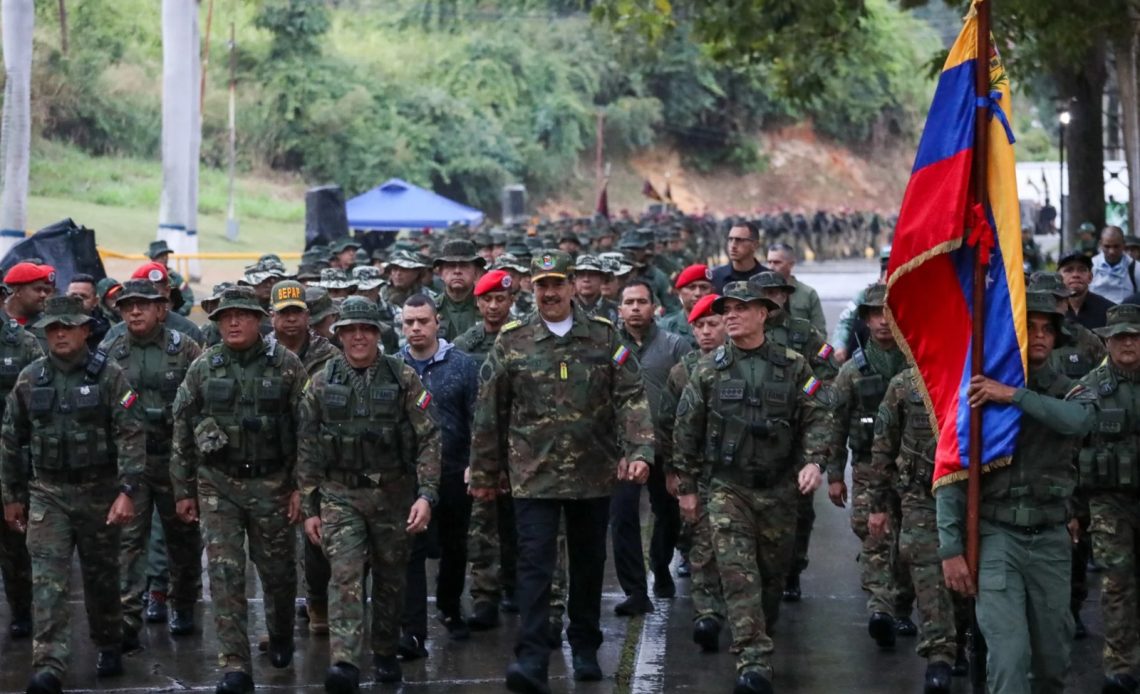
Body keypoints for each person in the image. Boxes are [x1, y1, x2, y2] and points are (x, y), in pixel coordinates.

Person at [469, 250, 654, 694]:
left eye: (557, 283)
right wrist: (484, 472)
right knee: (534, 567)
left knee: (589, 565)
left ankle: (586, 646)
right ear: (531, 289)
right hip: (532, 476)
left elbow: (631, 395)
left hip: (592, 473)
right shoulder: (513, 340)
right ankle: (532, 657)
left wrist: (641, 449)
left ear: (573, 285)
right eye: (541, 285)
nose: (549, 293)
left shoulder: (604, 337)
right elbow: (490, 410)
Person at [672, 280, 831, 694]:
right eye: (727, 309)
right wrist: (687, 489)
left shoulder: (794, 365)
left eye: (742, 308)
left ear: (764, 313)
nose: (731, 315)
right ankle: (753, 661)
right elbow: (686, 432)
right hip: (728, 489)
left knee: (772, 577)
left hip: (780, 489)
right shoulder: (708, 370)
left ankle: (759, 635)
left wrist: (815, 460)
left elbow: (817, 416)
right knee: (738, 574)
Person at [939, 293, 1098, 694]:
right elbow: (952, 471)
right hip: (998, 537)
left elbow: (1078, 421)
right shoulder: (978, 394)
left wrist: (1014, 396)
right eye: (1031, 328)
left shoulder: (1070, 390)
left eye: (1048, 329)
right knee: (1009, 660)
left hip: (1050, 539)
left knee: (1051, 662)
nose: (1040, 336)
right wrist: (950, 548)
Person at [1, 295, 144, 693]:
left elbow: (130, 432)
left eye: (67, 326)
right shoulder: (30, 378)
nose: (60, 334)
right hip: (48, 492)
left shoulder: (109, 375)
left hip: (99, 492)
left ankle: (109, 641)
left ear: (84, 329)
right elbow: (12, 438)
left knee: (101, 577)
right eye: (52, 328)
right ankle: (49, 663)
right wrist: (11, 495)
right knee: (47, 578)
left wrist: (127, 490)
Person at [296, 296, 440, 692]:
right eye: (350, 330)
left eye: (366, 329)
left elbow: (429, 437)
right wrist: (311, 506)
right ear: (339, 334)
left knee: (391, 577)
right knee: (344, 575)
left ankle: (383, 650)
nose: (358, 337)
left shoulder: (403, 377)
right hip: (340, 495)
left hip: (393, 495)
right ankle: (344, 661)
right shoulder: (322, 382)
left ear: (378, 333)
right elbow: (306, 447)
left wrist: (426, 494)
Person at [169, 286, 307, 694]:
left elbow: (308, 432)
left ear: (259, 320)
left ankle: (280, 633)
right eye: (224, 317)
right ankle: (234, 665)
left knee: (279, 573)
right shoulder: (204, 367)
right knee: (226, 575)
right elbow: (182, 429)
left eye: (241, 316)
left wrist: (301, 486)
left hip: (274, 485)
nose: (232, 322)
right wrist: (183, 489)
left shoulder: (286, 366)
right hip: (219, 485)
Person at [103, 280, 204, 651]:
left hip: (175, 460)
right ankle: (128, 616)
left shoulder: (186, 349)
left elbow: (202, 402)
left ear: (161, 310)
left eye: (142, 306)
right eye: (127, 306)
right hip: (130, 463)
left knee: (183, 536)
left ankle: (183, 603)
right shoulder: (110, 350)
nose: (134, 312)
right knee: (129, 540)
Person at [869, 365, 969, 692]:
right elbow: (884, 445)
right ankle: (938, 654)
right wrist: (879, 504)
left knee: (968, 574)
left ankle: (965, 641)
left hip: (977, 497)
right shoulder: (904, 384)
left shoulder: (982, 377)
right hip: (921, 496)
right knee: (928, 569)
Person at [827, 283, 913, 645]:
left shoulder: (916, 364)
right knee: (874, 534)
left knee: (908, 543)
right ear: (866, 319)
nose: (883, 321)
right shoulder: (852, 371)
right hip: (866, 468)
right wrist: (834, 474)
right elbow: (836, 423)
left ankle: (902, 607)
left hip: (912, 471)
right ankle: (881, 608)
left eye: (889, 312)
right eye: (876, 313)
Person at [398, 294, 479, 643]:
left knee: (454, 545)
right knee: (410, 549)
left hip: (453, 469)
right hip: (406, 475)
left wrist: (477, 462)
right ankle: (412, 630)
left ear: (437, 322)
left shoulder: (462, 365)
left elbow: (478, 418)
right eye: (409, 323)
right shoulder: (392, 366)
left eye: (423, 321)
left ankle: (449, 607)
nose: (416, 328)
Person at [1069, 303, 1140, 694]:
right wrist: (1073, 511)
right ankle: (1121, 663)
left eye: (1135, 336)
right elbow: (1070, 456)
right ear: (1107, 342)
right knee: (1117, 581)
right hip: (1109, 502)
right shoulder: (1089, 390)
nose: (1128, 343)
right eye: (1120, 337)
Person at [611, 279, 690, 614]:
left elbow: (689, 402)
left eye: (641, 302)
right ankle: (634, 591)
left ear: (654, 307)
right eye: (628, 302)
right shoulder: (608, 345)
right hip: (624, 451)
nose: (635, 308)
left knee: (669, 516)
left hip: (664, 448)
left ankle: (660, 563)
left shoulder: (675, 346)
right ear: (619, 309)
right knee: (624, 518)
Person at [267, 280, 340, 636]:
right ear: (272, 317)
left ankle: (318, 602)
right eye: (284, 314)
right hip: (271, 462)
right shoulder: (260, 353)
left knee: (317, 540)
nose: (291, 320)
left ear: (307, 316)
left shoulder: (330, 356)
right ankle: (276, 619)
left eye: (296, 312)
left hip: (318, 460)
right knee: (272, 547)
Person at [661, 292, 729, 651]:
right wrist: (673, 471)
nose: (705, 332)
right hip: (697, 473)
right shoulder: (681, 371)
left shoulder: (742, 364)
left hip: (737, 473)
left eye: (712, 324)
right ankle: (707, 614)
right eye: (699, 325)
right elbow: (667, 424)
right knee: (701, 546)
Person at [456, 269, 520, 630]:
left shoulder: (525, 338)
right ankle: (484, 597)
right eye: (487, 299)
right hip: (480, 448)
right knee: (482, 525)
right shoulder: (466, 345)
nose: (494, 306)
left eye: (501, 299)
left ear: (512, 301)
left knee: (520, 525)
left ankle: (516, 587)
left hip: (522, 447)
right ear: (478, 303)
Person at [0, 289, 42, 642]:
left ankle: (22, 610)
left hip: (12, 454)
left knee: (14, 540)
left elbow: (41, 398)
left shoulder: (23, 343)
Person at [100, 263, 203, 346]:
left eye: (154, 295)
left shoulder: (188, 330)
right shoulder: (115, 334)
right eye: (141, 298)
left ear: (167, 291)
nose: (138, 309)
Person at [766, 243, 826, 334]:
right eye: (769, 262)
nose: (771, 267)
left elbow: (821, 333)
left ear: (791, 264)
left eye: (777, 262)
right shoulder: (761, 292)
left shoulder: (808, 294)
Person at [433, 239, 485, 341]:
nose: (457, 271)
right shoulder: (430, 309)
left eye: (464, 266)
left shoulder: (488, 307)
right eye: (451, 266)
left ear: (476, 272)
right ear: (440, 273)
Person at [1, 262, 55, 349]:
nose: (43, 295)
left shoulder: (48, 324)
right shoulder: (2, 319)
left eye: (45, 290)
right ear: (18, 291)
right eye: (38, 289)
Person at [658, 264, 714, 348]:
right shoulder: (666, 327)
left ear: (712, 291)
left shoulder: (725, 323)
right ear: (679, 292)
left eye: (704, 287)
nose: (698, 293)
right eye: (691, 287)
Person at [1059, 250, 1115, 331]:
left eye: (1082, 270)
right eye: (1069, 270)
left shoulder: (1109, 311)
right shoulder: (1049, 310)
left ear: (1090, 277)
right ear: (1058, 277)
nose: (1075, 275)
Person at [709, 222, 769, 292]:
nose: (733, 245)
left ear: (755, 245)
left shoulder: (769, 279)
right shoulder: (716, 277)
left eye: (739, 240)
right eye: (730, 239)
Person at [1091, 226, 1139, 304]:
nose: (1112, 251)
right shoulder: (1090, 266)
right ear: (1100, 244)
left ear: (1124, 244)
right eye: (1107, 246)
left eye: (1116, 246)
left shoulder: (1136, 268)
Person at [146, 240, 194, 316]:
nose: (165, 258)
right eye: (161, 256)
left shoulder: (175, 278)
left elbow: (188, 299)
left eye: (166, 255)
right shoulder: (145, 276)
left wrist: (177, 314)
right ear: (153, 259)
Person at [66, 273, 111, 348]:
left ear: (95, 301)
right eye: (73, 296)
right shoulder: (54, 327)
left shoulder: (106, 333)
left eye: (83, 296)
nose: (77, 300)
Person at [572, 255, 619, 323]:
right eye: (581, 274)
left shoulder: (614, 310)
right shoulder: (565, 308)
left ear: (602, 279)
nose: (586, 279)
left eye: (592, 274)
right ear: (574, 280)